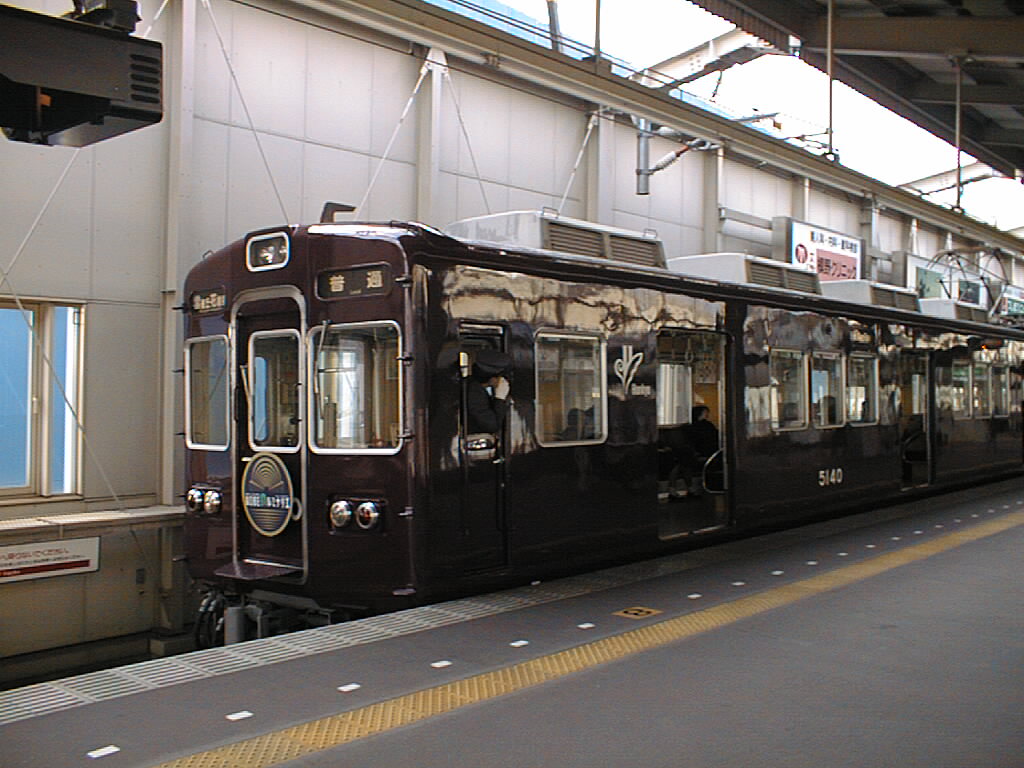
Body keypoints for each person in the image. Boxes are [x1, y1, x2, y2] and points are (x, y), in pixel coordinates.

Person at [465, 349, 512, 434]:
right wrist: (500, 398)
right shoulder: (475, 393)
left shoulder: (471, 385)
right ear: (493, 378)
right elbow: (491, 426)